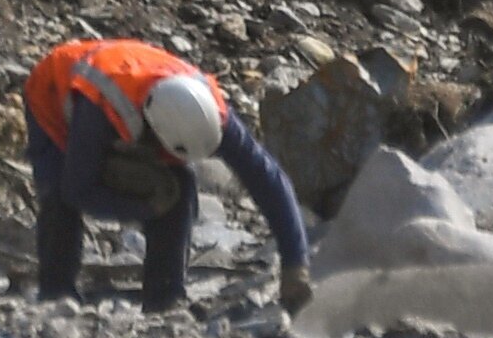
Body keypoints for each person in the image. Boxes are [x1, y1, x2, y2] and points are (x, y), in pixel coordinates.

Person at [25, 34, 316, 309]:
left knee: (178, 185)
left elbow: (267, 177)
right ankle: (56, 294)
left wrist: (296, 264)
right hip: (54, 96)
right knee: (57, 196)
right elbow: (77, 190)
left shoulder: (210, 113)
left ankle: (164, 298)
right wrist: (145, 208)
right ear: (154, 131)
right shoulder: (101, 109)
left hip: (135, 81)